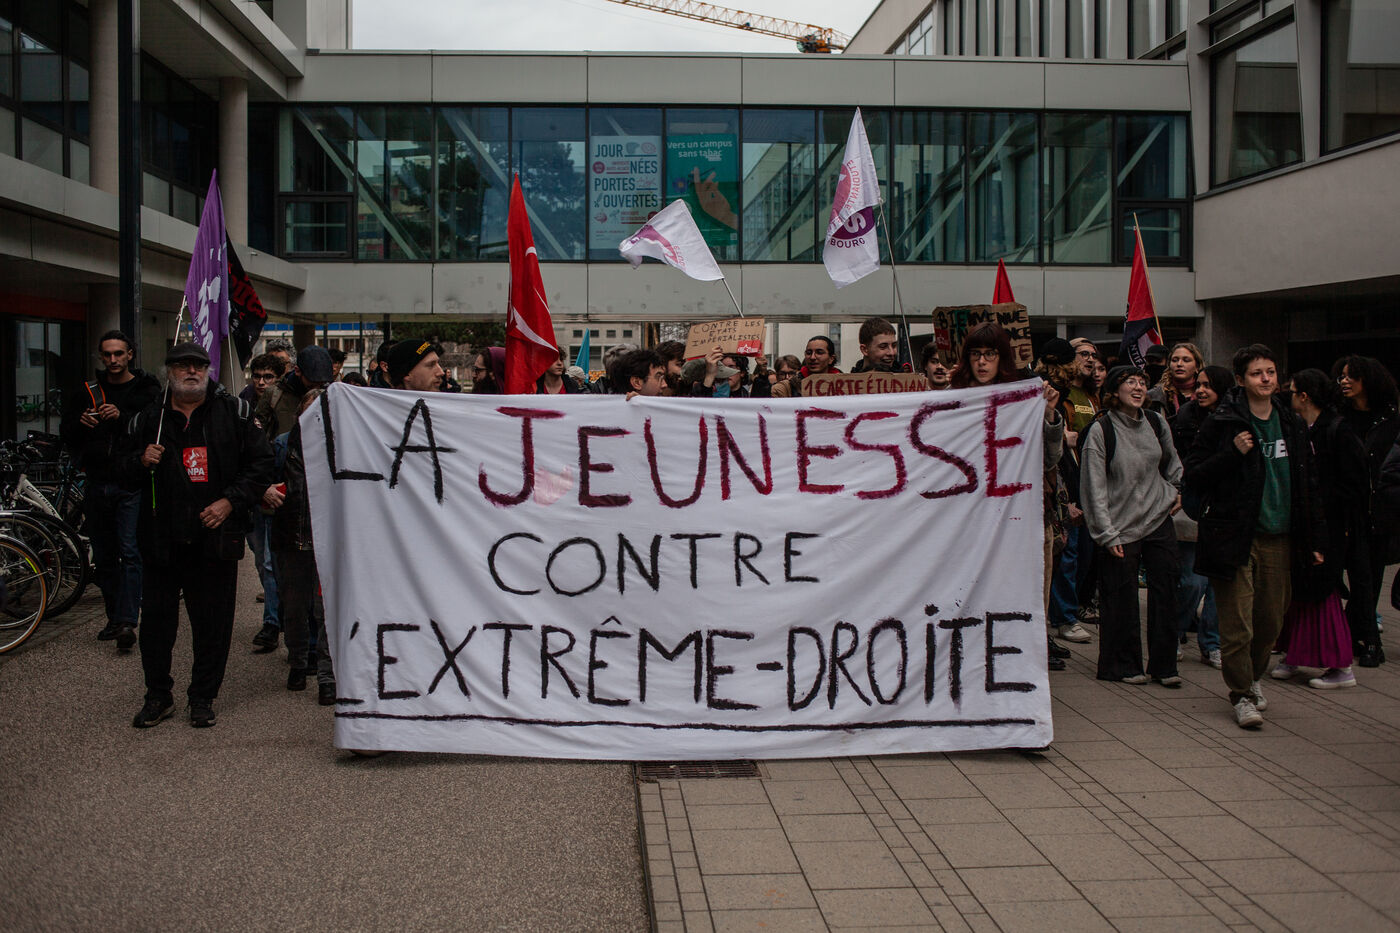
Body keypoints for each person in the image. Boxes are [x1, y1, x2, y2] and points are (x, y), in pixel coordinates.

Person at [125, 343, 274, 728]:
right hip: (161, 540)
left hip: (214, 539)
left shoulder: (234, 413)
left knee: (212, 625)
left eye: (198, 365)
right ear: (169, 372)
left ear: (208, 370)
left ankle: (202, 697)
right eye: (182, 366)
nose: (191, 371)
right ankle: (158, 696)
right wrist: (140, 461)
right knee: (157, 626)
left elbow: (261, 466)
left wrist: (230, 502)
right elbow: (117, 469)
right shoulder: (150, 418)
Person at [1186, 344, 1325, 729]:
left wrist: (1316, 540)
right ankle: (1242, 694)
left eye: (1271, 372)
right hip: (1234, 537)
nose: (1265, 379)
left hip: (1280, 537)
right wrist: (1232, 453)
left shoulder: (1290, 421)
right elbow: (1194, 474)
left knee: (1269, 624)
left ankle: (1253, 677)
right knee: (1238, 626)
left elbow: (1309, 482)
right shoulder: (1223, 421)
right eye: (1256, 373)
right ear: (1241, 380)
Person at [951, 323, 1066, 671]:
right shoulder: (951, 401)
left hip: (1021, 520)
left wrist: (1048, 415)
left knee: (1023, 598)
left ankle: (1017, 671)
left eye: (990, 354)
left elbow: (1050, 459)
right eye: (975, 354)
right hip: (967, 522)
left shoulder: (1023, 401)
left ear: (1002, 358)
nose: (982, 362)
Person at [59, 330, 162, 652]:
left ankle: (128, 621)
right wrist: (82, 423)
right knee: (104, 556)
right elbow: (67, 434)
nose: (113, 360)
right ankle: (115, 617)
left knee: (130, 551)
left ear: (130, 354)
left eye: (119, 354)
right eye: (107, 354)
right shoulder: (87, 392)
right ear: (101, 356)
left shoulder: (146, 389)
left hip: (131, 482)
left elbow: (154, 429)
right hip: (96, 482)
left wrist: (122, 418)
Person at [1080, 366, 1183, 687]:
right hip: (1119, 525)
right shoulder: (1102, 430)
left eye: (1142, 382)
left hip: (1158, 517)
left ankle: (1164, 666)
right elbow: (1093, 487)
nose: (1138, 388)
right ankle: (1123, 665)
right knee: (1120, 596)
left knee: (1166, 590)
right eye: (1130, 382)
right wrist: (1105, 533)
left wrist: (1175, 489)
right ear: (1114, 390)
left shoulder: (1156, 421)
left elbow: (1172, 461)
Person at [1270, 369, 1365, 689]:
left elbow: (1353, 486)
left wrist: (1336, 524)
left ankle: (1341, 665)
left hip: (1329, 528)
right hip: (1305, 523)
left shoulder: (1337, 430)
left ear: (1304, 396)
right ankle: (1294, 653)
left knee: (1323, 592)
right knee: (1300, 591)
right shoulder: (1299, 428)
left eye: (1292, 391)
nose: (1287, 396)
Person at [267, 389, 336, 704]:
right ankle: (297, 662)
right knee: (294, 608)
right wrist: (266, 491)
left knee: (325, 612)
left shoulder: (340, 448)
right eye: (310, 412)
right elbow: (261, 479)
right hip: (291, 539)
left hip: (328, 543)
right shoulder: (282, 446)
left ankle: (327, 677)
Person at [1332, 355, 1399, 667]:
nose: (1344, 381)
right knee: (1356, 578)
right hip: (1346, 508)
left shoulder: (1390, 420)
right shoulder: (1339, 417)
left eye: (1351, 376)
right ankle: (1361, 638)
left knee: (1369, 577)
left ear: (1367, 380)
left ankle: (1369, 640)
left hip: (1379, 511)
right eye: (1342, 376)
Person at [1170, 365, 1233, 668]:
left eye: (1208, 385)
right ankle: (1174, 632)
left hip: (1224, 511)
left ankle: (1212, 643)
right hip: (1192, 505)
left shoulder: (1235, 419)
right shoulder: (1186, 417)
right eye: (1200, 385)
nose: (1201, 390)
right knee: (1192, 581)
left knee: (1217, 584)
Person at [1036, 338, 1094, 648]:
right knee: (1061, 558)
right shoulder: (1048, 394)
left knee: (1065, 556)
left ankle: (1050, 627)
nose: (1087, 361)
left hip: (1067, 483)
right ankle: (1061, 619)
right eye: (1081, 356)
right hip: (1054, 489)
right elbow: (1051, 456)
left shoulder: (1076, 394)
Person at [242, 352, 290, 653]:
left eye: (268, 377)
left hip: (278, 493)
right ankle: (278, 610)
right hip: (252, 494)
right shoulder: (240, 405)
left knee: (271, 562)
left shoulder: (286, 403)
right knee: (261, 559)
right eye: (257, 376)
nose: (261, 382)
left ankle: (272, 622)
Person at [1146, 342, 1204, 419]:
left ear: (1197, 366)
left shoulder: (1207, 394)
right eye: (1175, 360)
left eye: (1186, 360)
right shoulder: (1154, 396)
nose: (1179, 364)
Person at [771, 336, 840, 398]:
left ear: (831, 359)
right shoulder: (784, 388)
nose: (812, 357)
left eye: (819, 352)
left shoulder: (844, 385)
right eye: (809, 353)